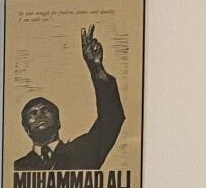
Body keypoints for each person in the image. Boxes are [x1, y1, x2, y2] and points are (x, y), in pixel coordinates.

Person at [13, 24, 124, 172]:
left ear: (59, 122)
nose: (39, 114)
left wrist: (96, 68)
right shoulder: (17, 168)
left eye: (46, 110)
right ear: (26, 129)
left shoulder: (84, 153)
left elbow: (111, 119)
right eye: (32, 113)